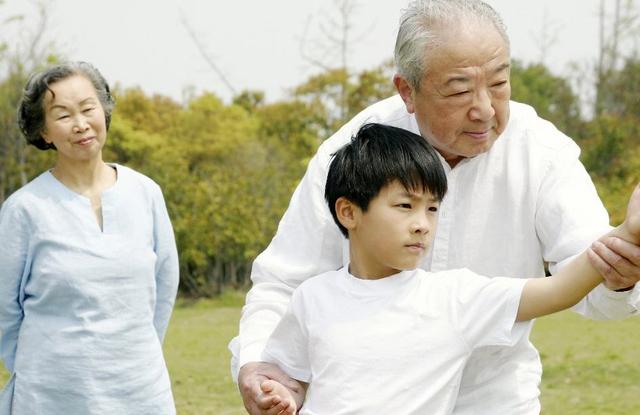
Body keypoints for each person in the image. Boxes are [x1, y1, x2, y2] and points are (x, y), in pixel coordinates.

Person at [230, 1, 640, 413]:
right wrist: (259, 368)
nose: (484, 109)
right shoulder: (351, 153)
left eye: (499, 83)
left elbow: (586, 281)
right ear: (407, 90)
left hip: (493, 400)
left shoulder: (543, 153)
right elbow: (284, 283)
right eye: (460, 90)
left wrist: (622, 265)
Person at [256, 123, 640, 414]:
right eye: (405, 206)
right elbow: (293, 377)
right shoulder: (313, 298)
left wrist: (627, 231)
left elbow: (561, 289)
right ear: (349, 212)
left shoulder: (453, 298)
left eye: (433, 208)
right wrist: (282, 396)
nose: (423, 223)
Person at [0, 62, 180, 414]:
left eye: (88, 108)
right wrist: (40, 369)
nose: (80, 124)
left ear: (104, 111)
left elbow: (164, 283)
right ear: (44, 131)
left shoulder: (145, 192)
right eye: (63, 115)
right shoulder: (24, 209)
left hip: (140, 390)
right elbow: (4, 310)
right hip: (51, 395)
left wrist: (133, 352)